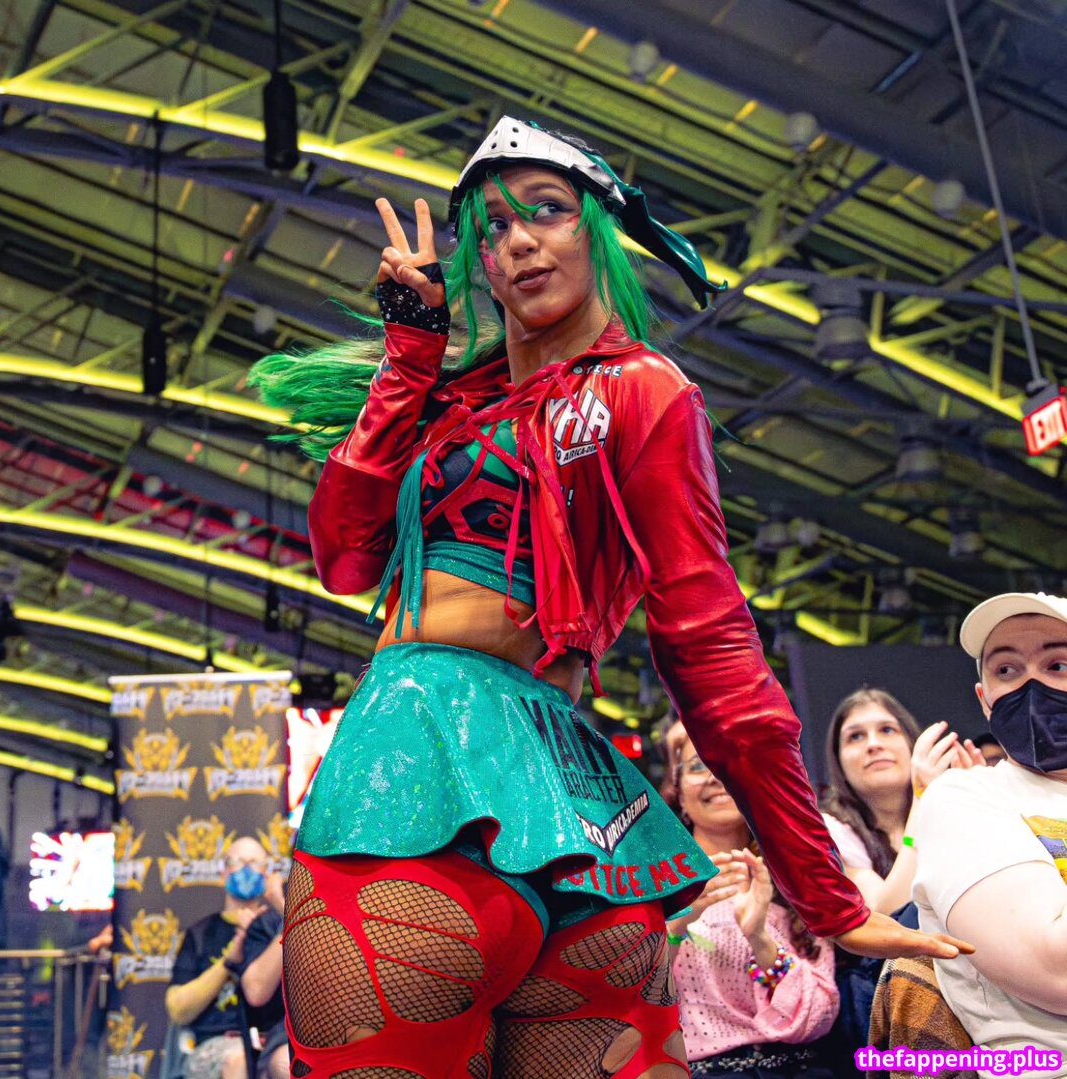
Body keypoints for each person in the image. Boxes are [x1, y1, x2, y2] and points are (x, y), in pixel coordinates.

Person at [251, 116, 968, 1078]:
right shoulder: (447, 402)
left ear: (597, 226)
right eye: (492, 230)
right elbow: (343, 557)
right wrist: (408, 358)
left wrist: (826, 894)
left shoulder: (644, 390)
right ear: (480, 267)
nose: (518, 241)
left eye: (546, 211)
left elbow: (710, 643)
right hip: (458, 782)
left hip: (504, 793)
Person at [913, 592, 1067, 1078]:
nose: (1032, 686)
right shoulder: (963, 798)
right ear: (984, 700)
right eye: (1007, 670)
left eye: (1058, 665)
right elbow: (1055, 969)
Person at [666, 740, 839, 1077]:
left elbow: (820, 1015)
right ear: (681, 797)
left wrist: (760, 939)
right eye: (699, 766)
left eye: (727, 764)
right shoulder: (655, 885)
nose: (715, 777)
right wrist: (678, 924)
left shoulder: (797, 882)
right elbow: (630, 1000)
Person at [819, 688, 982, 915]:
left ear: (912, 744)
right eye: (855, 736)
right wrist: (922, 798)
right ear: (838, 761)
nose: (873, 744)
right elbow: (887, 914)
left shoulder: (947, 810)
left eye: (887, 730)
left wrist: (978, 809)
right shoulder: (831, 831)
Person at [165, 837, 282, 1079]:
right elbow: (177, 1009)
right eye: (237, 862)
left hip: (270, 1039)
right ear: (223, 873)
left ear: (267, 874)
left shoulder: (277, 928)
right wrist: (229, 960)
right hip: (217, 1043)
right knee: (241, 1061)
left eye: (255, 863)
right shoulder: (201, 934)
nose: (246, 870)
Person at [237, 868, 289, 1079]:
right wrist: (288, 915)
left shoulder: (372, 906)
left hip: (361, 1022)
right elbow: (256, 992)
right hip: (292, 1032)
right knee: (286, 1064)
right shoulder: (269, 920)